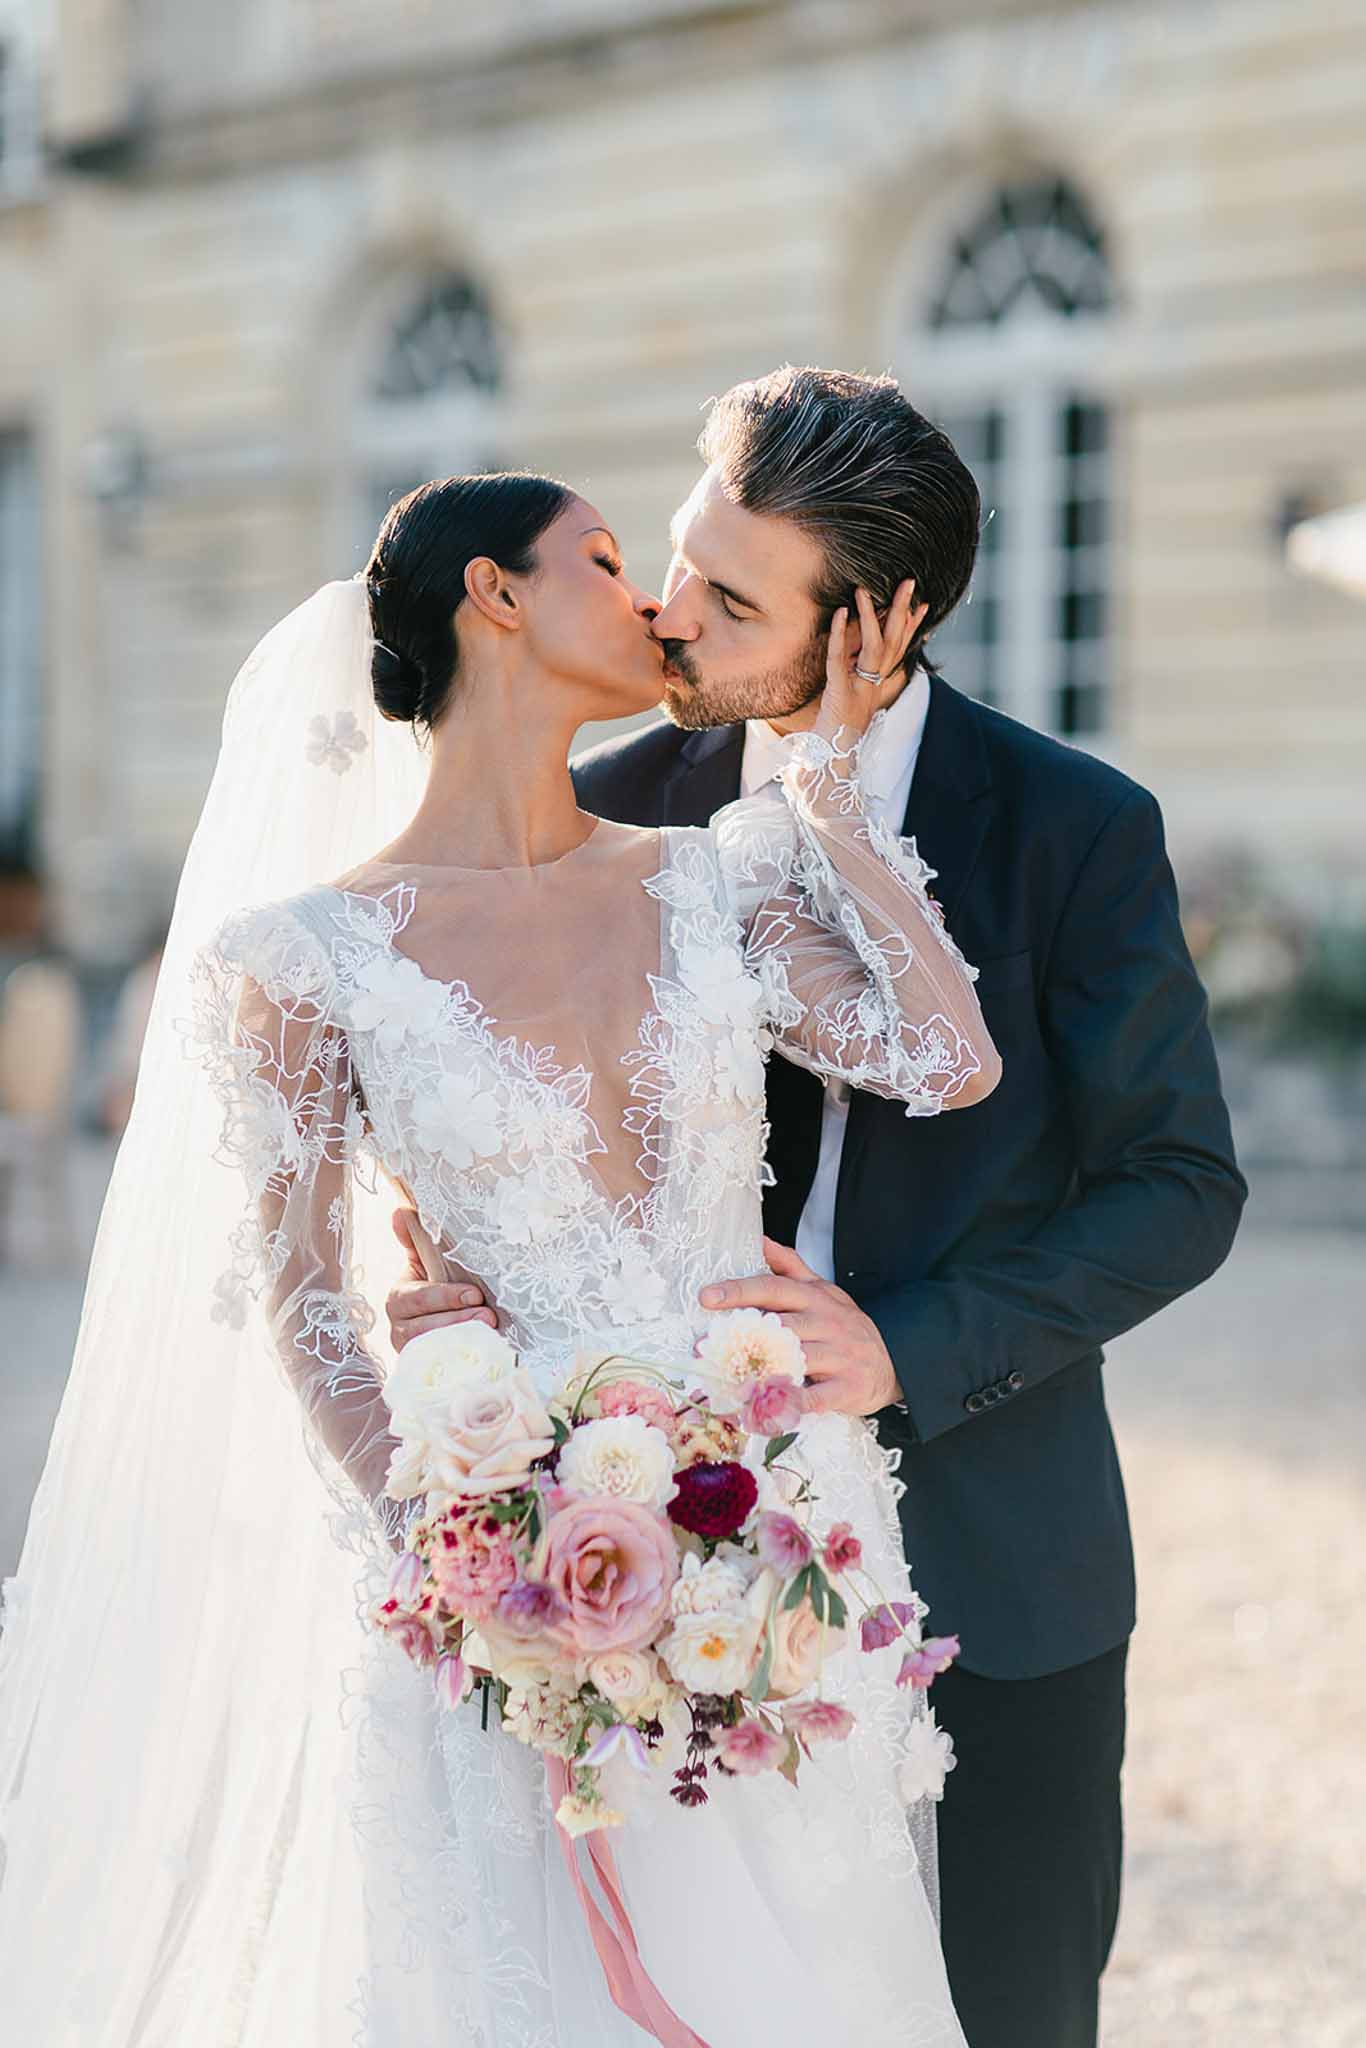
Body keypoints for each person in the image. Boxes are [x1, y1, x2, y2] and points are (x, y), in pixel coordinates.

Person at [0, 463, 997, 2046]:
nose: (658, 603)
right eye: (607, 560)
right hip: (508, 1584)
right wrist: (458, 1547)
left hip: (773, 1532)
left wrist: (820, 789)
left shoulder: (713, 874)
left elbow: (941, 1059)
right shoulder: (302, 961)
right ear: (497, 595)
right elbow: (305, 1296)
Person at [387, 367, 1249, 2048]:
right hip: (665, 1539)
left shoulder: (1074, 828)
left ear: (874, 619)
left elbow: (1181, 1186)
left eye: (729, 594)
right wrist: (456, 1296)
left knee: (1013, 2011)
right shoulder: (619, 803)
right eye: (680, 561)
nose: (668, 609)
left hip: (1003, 1552)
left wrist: (906, 1347)